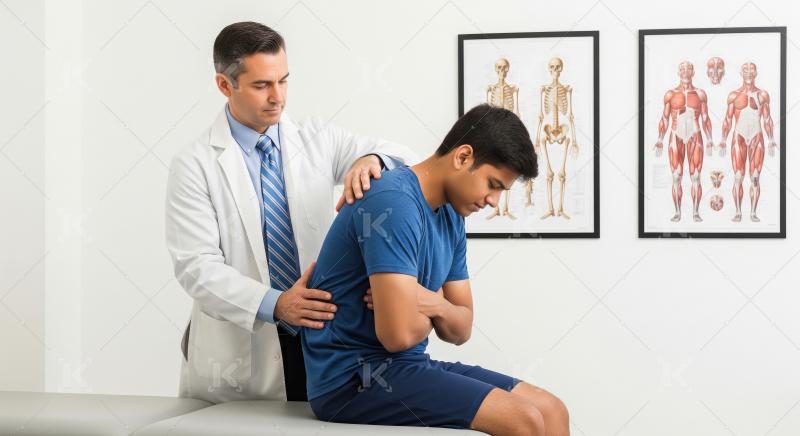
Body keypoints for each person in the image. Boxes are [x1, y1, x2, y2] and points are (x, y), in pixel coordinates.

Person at [165, 21, 417, 403]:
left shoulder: (316, 139)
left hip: (321, 338)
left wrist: (371, 158)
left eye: (283, 81)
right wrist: (277, 304)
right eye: (262, 85)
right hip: (241, 348)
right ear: (224, 85)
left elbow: (407, 157)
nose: (277, 97)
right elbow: (196, 268)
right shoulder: (194, 164)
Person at [302, 104, 569, 435]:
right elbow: (397, 335)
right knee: (523, 419)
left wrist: (430, 303)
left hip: (408, 367)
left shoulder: (452, 216)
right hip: (352, 379)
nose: (493, 202)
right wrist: (440, 311)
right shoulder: (393, 203)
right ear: (462, 157)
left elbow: (462, 328)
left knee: (551, 411)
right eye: (493, 184)